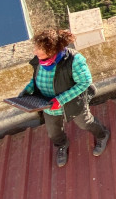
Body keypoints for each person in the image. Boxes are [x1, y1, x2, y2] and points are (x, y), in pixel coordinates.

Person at [19, 29, 110, 167]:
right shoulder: (40, 61)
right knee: (53, 132)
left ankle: (102, 135)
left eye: (39, 50)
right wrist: (27, 91)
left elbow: (85, 81)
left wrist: (60, 100)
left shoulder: (74, 60)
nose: (35, 52)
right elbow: (36, 79)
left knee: (85, 123)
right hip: (48, 106)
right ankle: (62, 145)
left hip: (73, 103)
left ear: (52, 51)